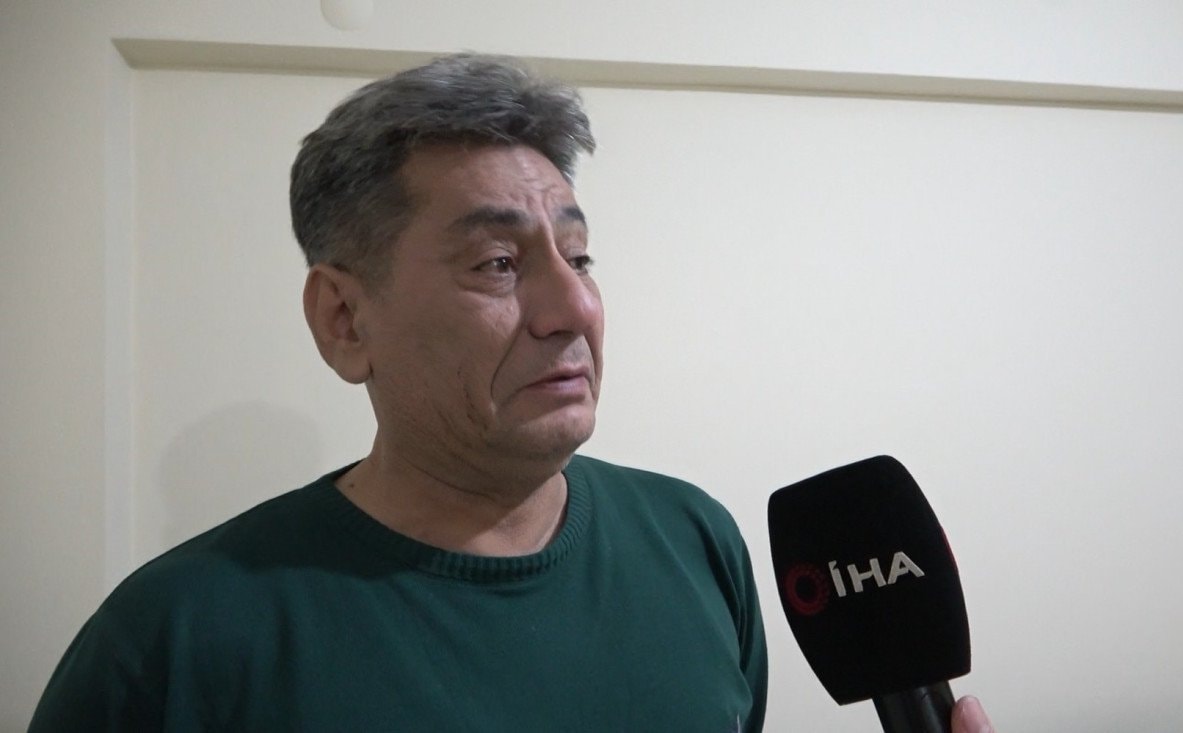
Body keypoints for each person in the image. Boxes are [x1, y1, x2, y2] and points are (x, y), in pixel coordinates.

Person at [29, 54, 994, 732]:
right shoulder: (171, 640)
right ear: (345, 320)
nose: (573, 306)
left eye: (579, 254)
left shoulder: (696, 542)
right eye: (498, 262)